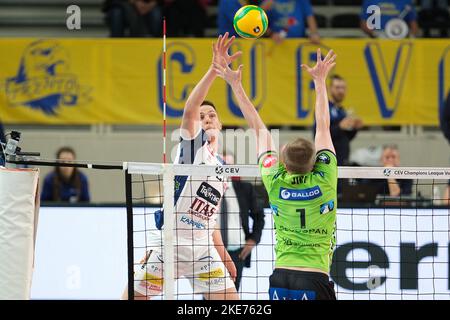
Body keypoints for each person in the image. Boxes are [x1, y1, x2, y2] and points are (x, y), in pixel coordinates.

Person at [123, 33, 242, 300]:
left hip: (203, 251)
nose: (207, 119)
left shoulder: (221, 166)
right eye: (202, 117)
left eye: (212, 115)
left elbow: (211, 222)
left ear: (221, 124)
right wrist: (214, 70)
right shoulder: (191, 148)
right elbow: (189, 109)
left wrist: (224, 257)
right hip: (169, 246)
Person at [213, 47, 338, 300]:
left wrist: (236, 85)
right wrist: (320, 82)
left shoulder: (275, 179)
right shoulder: (325, 178)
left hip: (280, 276)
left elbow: (259, 130)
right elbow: (323, 126)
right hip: (315, 277)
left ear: (283, 160)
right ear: (316, 161)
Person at [219, 152, 265, 292]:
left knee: (232, 294)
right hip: (211, 252)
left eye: (230, 165)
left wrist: (253, 239)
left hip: (236, 253)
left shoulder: (245, 188)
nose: (227, 168)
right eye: (223, 164)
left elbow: (259, 216)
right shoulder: (203, 189)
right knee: (210, 295)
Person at [313, 75, 363, 166]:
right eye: (337, 87)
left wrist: (355, 128)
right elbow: (318, 134)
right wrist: (339, 127)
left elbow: (345, 138)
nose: (341, 91)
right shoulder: (324, 108)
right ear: (329, 89)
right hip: (328, 163)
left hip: (342, 161)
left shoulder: (341, 110)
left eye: (343, 88)